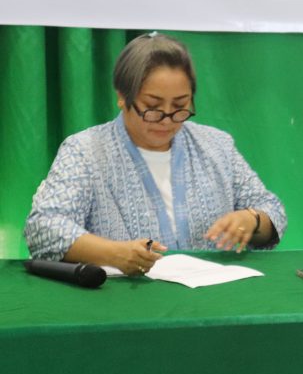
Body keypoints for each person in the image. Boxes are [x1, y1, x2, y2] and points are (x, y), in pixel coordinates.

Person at [24, 32, 287, 275]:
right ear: (122, 97)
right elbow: (43, 227)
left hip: (212, 296)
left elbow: (272, 211)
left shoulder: (216, 145)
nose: (167, 119)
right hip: (123, 299)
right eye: (152, 107)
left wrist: (252, 220)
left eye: (180, 106)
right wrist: (114, 254)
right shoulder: (85, 151)